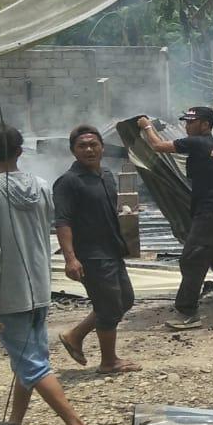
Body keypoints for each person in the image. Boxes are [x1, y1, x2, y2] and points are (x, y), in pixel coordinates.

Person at [0, 123, 99, 425]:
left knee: (33, 364)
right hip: (40, 286)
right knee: (28, 359)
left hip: (10, 293)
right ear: (20, 151)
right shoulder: (41, 186)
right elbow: (37, 232)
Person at [136, 107, 213, 330]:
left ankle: (187, 312)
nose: (187, 126)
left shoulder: (198, 143)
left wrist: (146, 126)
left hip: (210, 212)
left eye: (191, 122)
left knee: (192, 259)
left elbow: (158, 146)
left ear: (205, 125)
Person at [52, 125, 140, 373]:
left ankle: (75, 336)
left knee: (124, 300)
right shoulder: (68, 182)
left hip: (112, 250)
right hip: (90, 256)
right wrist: (70, 258)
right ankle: (109, 361)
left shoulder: (106, 176)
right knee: (110, 306)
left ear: (102, 147)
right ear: (73, 151)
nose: (89, 149)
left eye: (93, 144)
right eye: (82, 146)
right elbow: (62, 221)